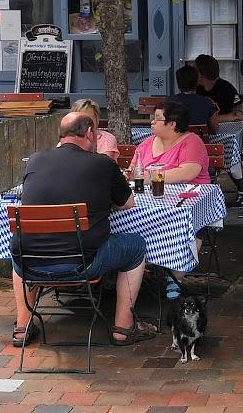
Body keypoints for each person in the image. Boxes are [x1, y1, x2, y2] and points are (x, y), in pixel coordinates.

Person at [14, 111, 153, 348]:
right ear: (89, 133)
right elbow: (128, 203)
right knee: (135, 246)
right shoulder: (103, 164)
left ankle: (22, 326)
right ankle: (123, 327)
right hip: (81, 263)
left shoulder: (36, 159)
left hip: (30, 264)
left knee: (22, 250)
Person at [131, 100, 212, 185]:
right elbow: (134, 169)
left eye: (157, 119)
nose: (152, 122)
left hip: (190, 195)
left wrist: (151, 177)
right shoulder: (145, 144)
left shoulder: (192, 142)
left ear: (172, 124)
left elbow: (187, 174)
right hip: (148, 194)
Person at [194, 54, 241, 122]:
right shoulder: (195, 89)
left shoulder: (228, 89)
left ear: (202, 73)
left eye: (195, 71)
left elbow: (239, 114)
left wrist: (210, 120)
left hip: (225, 129)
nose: (192, 74)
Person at [173, 65, 218, 134]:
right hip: (200, 142)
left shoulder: (168, 102)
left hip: (175, 142)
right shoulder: (207, 102)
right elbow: (214, 129)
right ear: (197, 82)